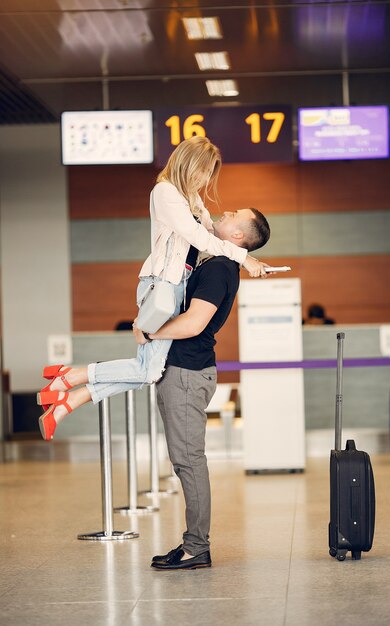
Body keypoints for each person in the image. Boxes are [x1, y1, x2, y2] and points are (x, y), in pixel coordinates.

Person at [38, 136, 267, 441]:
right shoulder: (165, 192)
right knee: (148, 371)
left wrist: (243, 252)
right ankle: (73, 379)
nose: (205, 179)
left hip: (174, 288)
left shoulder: (191, 198)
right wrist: (245, 257)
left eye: (210, 173)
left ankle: (69, 399)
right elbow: (199, 238)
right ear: (188, 163)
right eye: (203, 170)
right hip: (161, 288)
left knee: (148, 369)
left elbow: (212, 234)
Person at [134, 207, 271, 570]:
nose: (224, 211)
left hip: (186, 372)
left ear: (238, 236)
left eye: (233, 214)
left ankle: (196, 547)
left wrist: (149, 332)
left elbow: (194, 323)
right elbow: (196, 222)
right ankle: (194, 544)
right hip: (185, 370)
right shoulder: (218, 260)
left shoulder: (218, 269)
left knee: (189, 461)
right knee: (186, 461)